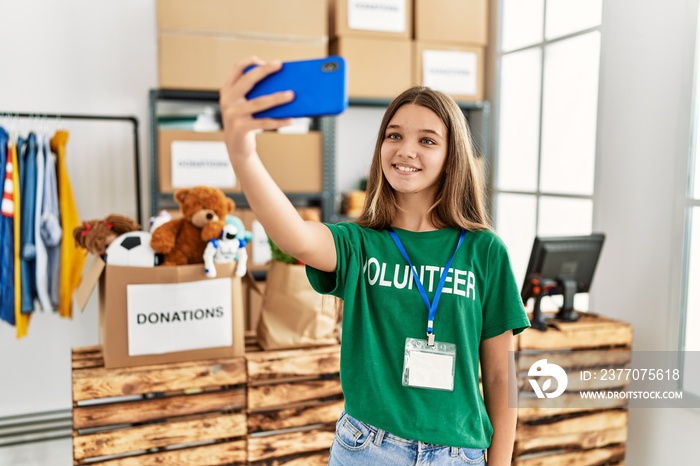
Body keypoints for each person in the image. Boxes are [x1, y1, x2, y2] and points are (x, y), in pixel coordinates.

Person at [220, 57, 531, 466]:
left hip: (460, 454)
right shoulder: (359, 244)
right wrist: (243, 154)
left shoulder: (485, 251)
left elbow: (498, 378)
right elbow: (293, 235)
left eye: (427, 140)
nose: (405, 150)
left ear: (452, 154)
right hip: (368, 450)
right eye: (393, 135)